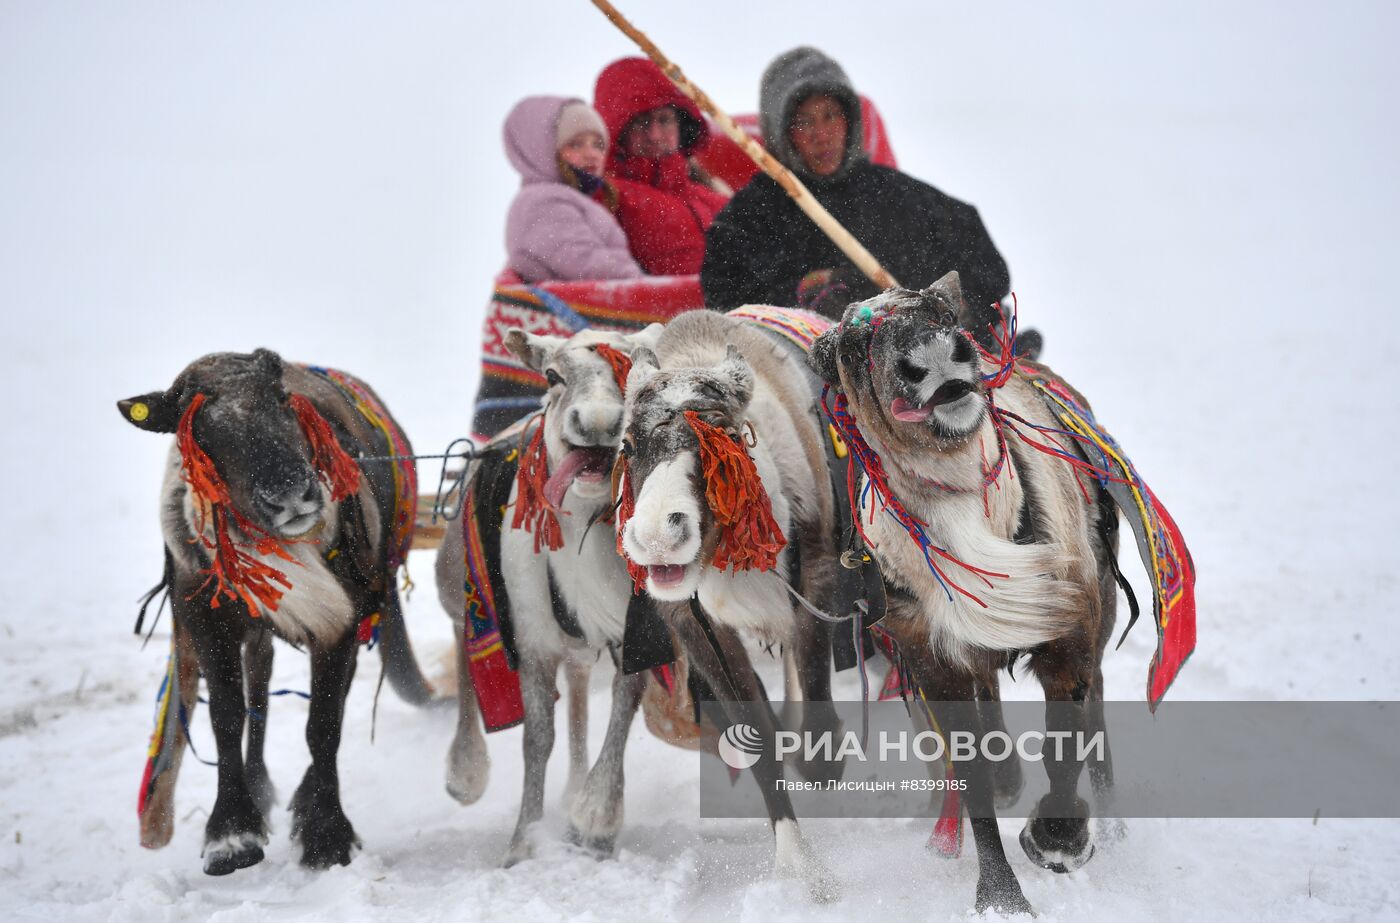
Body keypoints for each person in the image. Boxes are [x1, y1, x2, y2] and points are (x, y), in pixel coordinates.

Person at [701, 47, 1028, 352]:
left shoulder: (897, 196)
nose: (821, 135)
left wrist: (957, 310)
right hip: (812, 365)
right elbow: (725, 292)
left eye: (830, 115)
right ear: (781, 131)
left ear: (850, 119)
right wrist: (803, 296)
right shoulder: (755, 214)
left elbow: (982, 264)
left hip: (921, 360)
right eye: (804, 121)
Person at [593, 57, 728, 275]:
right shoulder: (605, 198)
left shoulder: (717, 201)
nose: (654, 135)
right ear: (616, 129)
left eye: (664, 120)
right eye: (641, 122)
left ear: (681, 126)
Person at [503, 96, 642, 283]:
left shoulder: (565, 198)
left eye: (598, 145)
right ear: (545, 151)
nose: (592, 154)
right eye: (576, 144)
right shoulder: (544, 203)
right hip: (583, 301)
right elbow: (584, 263)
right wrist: (645, 287)